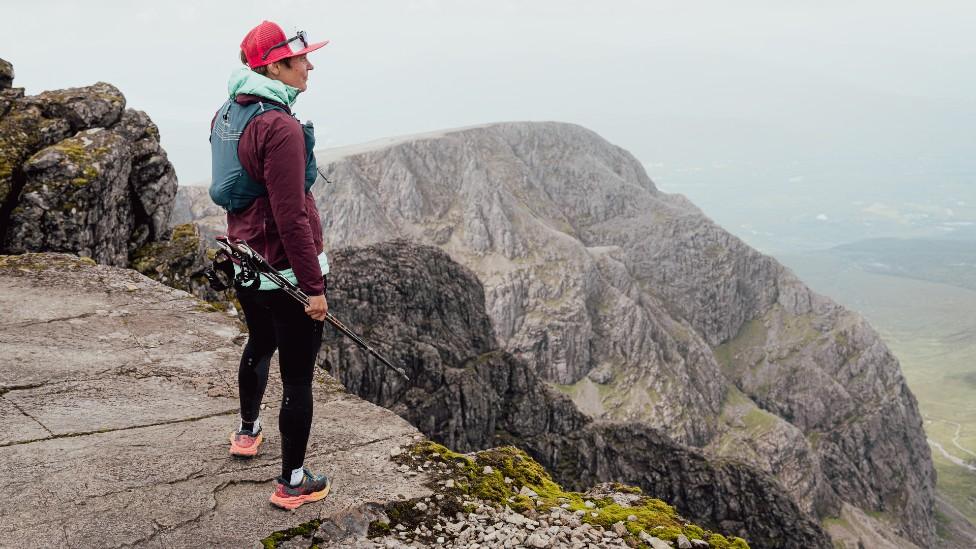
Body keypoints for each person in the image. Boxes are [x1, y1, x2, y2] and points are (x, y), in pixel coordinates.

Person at [209, 20, 331, 511]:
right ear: (275, 65)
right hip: (283, 272)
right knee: (298, 377)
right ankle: (293, 482)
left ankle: (247, 431)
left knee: (260, 344)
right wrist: (314, 286)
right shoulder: (279, 126)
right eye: (301, 59)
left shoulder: (228, 113)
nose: (310, 64)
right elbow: (291, 215)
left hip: (244, 262)